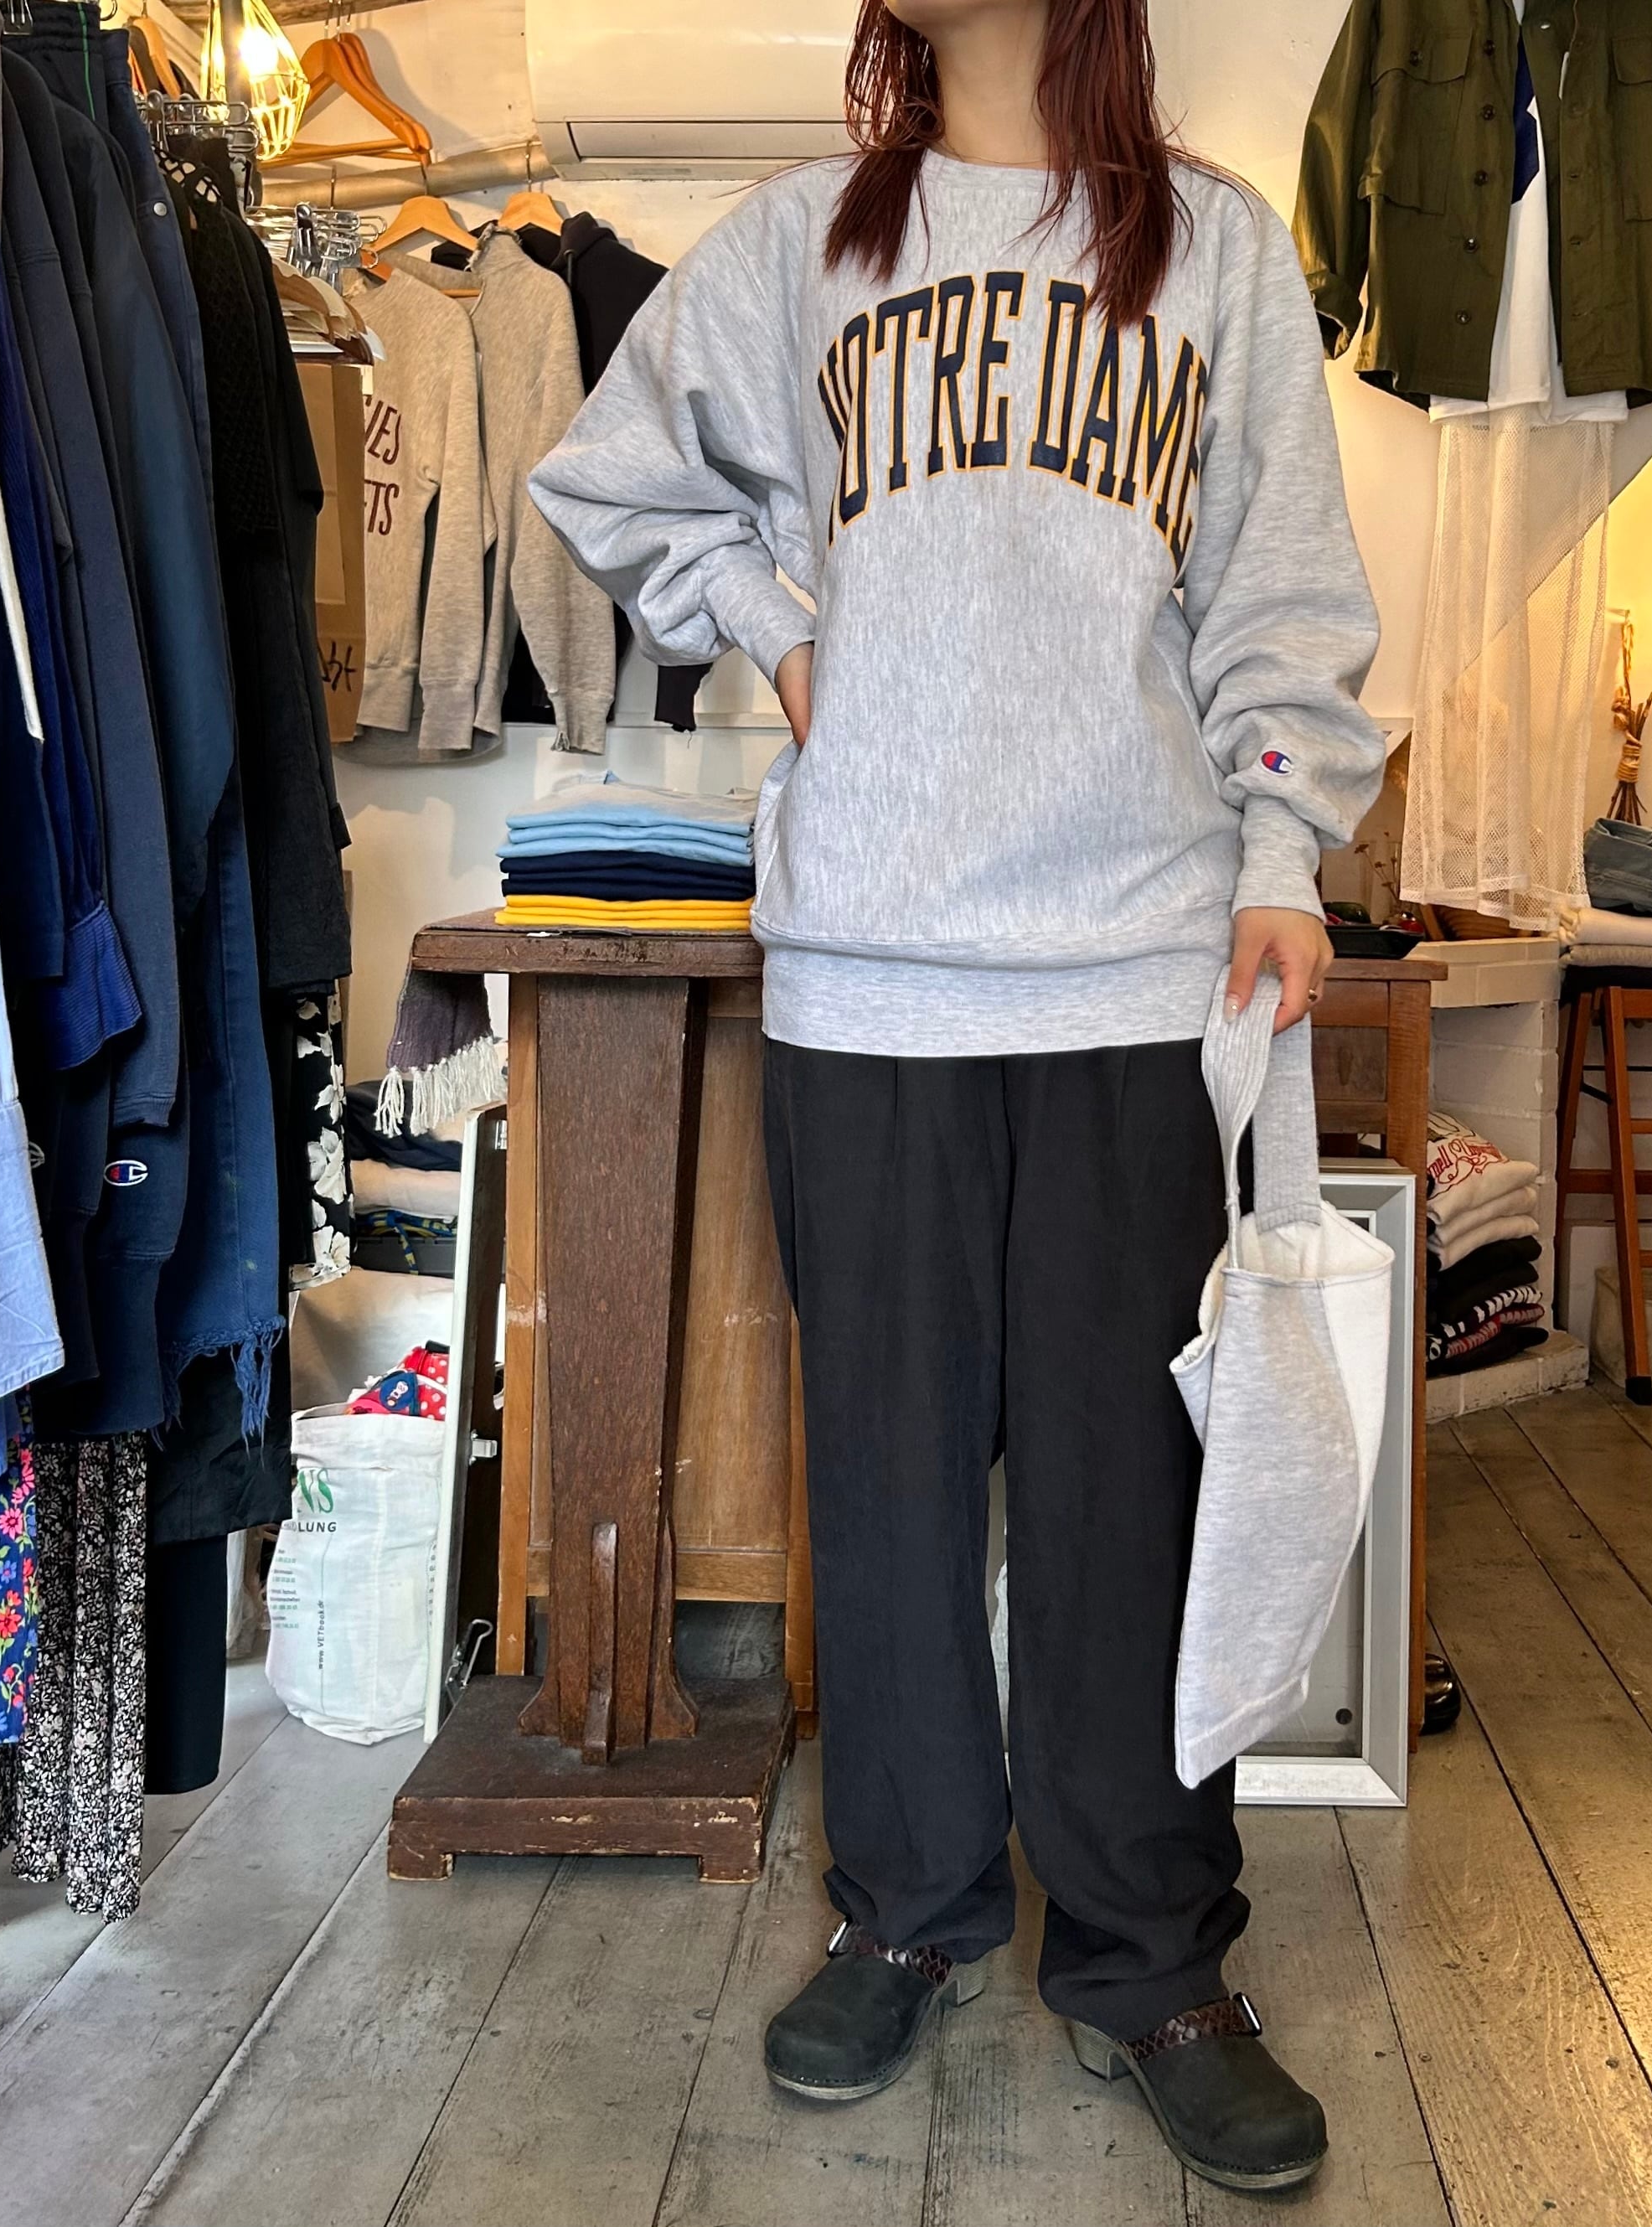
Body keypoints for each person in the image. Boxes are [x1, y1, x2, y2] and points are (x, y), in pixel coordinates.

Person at [530, 0, 1383, 2192]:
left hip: (1135, 964)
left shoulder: (1215, 250)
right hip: (872, 972)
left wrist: (1283, 853)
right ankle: (904, 1911)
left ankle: (1149, 1955)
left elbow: (1279, 592)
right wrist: (775, 623)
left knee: (1126, 1500)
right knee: (890, 1492)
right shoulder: (796, 243)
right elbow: (609, 475)